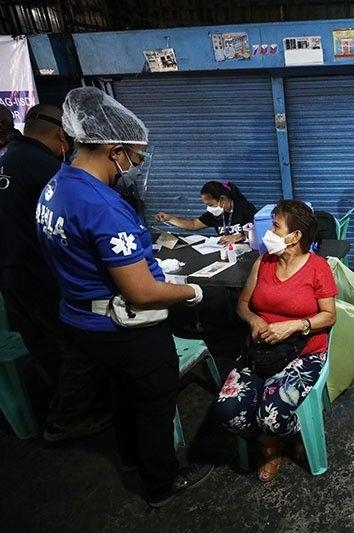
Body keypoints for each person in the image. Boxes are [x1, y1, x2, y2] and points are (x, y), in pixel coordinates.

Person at [35, 86, 213, 507]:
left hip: (79, 320)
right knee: (154, 398)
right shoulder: (103, 205)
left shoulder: (56, 187)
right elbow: (141, 291)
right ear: (114, 149)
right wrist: (191, 291)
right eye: (135, 155)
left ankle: (132, 458)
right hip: (122, 326)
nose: (136, 165)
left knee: (120, 392)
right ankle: (161, 483)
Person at [0, 103, 109, 441]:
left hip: (10, 278)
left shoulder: (8, 159)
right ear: (63, 135)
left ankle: (56, 405)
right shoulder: (47, 169)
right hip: (39, 277)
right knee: (77, 347)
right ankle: (66, 420)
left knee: (43, 345)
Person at [215, 199, 337, 483]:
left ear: (294, 237)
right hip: (260, 349)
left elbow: (329, 316)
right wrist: (255, 320)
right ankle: (271, 444)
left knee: (272, 416)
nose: (268, 231)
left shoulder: (318, 268)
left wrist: (294, 326)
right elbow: (243, 305)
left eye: (275, 226)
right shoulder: (264, 262)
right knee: (227, 411)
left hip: (303, 352)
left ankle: (288, 437)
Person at [154, 180, 256, 245]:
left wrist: (240, 236)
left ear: (223, 199)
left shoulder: (245, 208)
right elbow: (193, 224)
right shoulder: (214, 215)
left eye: (211, 205)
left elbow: (257, 232)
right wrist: (170, 218)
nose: (209, 209)